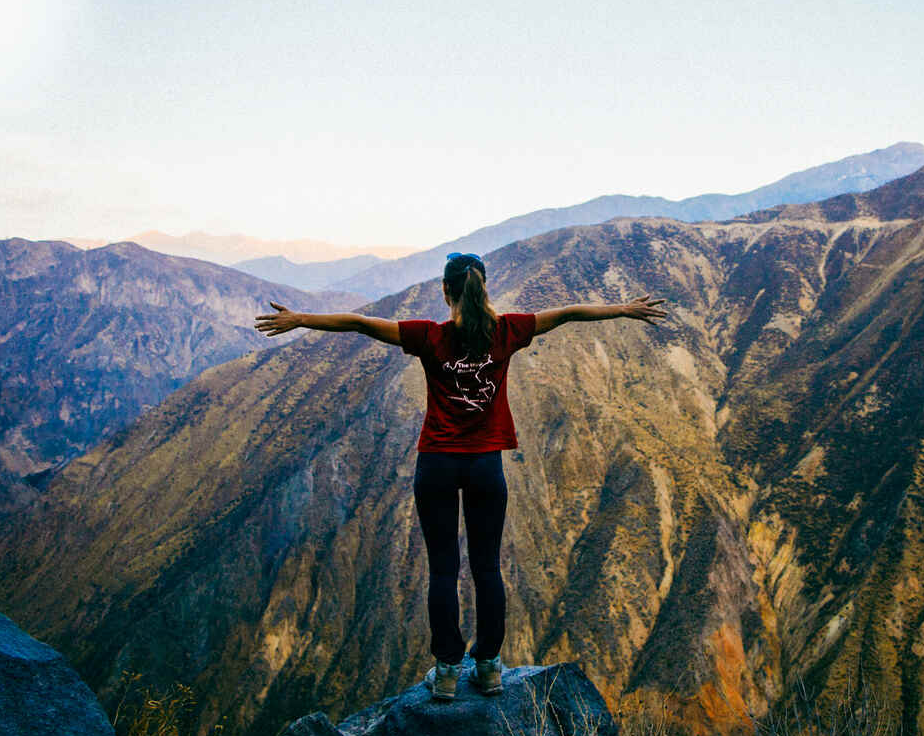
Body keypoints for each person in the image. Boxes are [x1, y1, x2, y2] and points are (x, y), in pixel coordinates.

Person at [253, 251, 666, 701]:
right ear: (484, 289)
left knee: (443, 569)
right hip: (486, 465)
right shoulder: (507, 331)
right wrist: (623, 309)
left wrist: (302, 319)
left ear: (445, 292)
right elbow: (567, 314)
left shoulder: (429, 337)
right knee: (487, 568)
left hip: (437, 466)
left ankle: (448, 670)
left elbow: (360, 323)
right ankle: (488, 667)